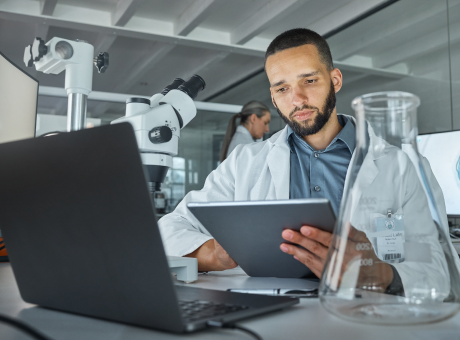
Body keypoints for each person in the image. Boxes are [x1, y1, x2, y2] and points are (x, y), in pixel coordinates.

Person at [158, 28, 458, 292]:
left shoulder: (400, 167)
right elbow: (170, 227)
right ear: (273, 98)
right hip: (274, 320)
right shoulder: (245, 163)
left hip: (366, 319)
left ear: (335, 79)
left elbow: (443, 270)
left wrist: (382, 276)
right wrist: (214, 254)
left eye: (310, 80)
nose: (297, 99)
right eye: (282, 88)